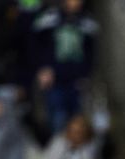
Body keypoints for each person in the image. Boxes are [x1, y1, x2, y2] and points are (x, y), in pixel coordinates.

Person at [31, 0, 96, 132]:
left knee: (76, 121)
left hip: (76, 81)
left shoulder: (87, 23)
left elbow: (91, 53)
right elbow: (35, 45)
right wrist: (42, 68)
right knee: (57, 120)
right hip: (55, 80)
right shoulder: (50, 19)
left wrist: (85, 75)